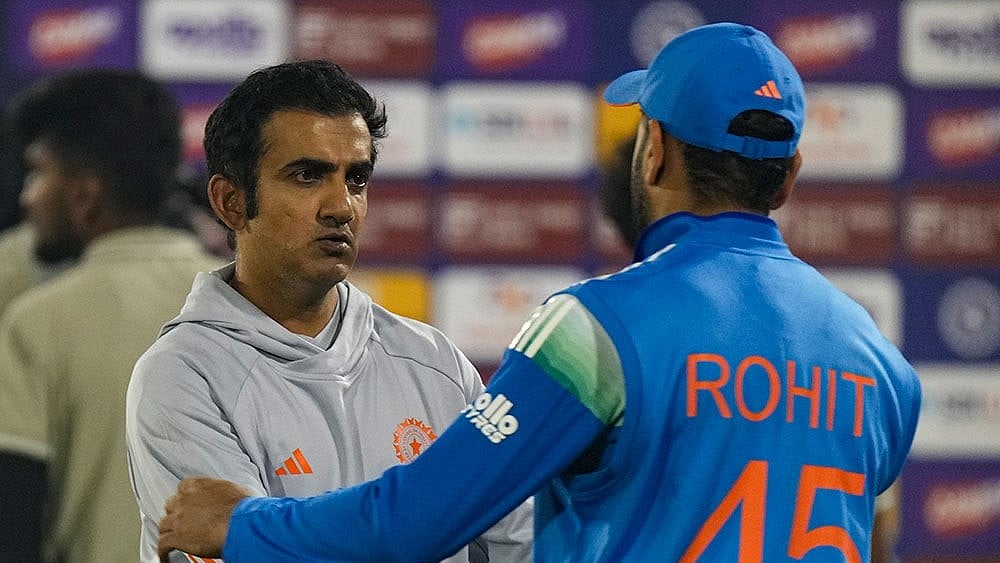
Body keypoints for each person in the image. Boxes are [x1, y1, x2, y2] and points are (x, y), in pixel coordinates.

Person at [157, 23, 923, 562]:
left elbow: (411, 523)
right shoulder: (882, 364)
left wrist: (246, 523)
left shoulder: (595, 331)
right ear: (788, 177)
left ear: (652, 151)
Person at [124, 59, 532, 563]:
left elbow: (523, 547)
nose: (341, 206)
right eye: (306, 175)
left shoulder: (435, 363)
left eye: (356, 179)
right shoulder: (183, 376)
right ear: (231, 202)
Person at [0, 69, 223, 562]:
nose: (27, 196)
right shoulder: (254, 306)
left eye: (39, 173)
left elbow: (12, 523)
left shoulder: (36, 323)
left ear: (84, 195)